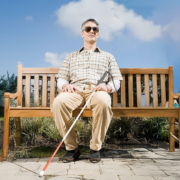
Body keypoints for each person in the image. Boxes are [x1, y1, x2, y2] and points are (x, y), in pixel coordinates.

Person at [51, 19, 123, 163]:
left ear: (98, 34)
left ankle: (95, 148)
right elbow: (62, 79)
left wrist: (108, 87)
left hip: (97, 92)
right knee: (58, 102)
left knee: (103, 101)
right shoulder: (70, 56)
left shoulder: (108, 57)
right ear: (82, 33)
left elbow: (116, 80)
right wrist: (65, 86)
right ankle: (72, 148)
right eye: (88, 29)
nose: (92, 31)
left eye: (95, 29)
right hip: (75, 91)